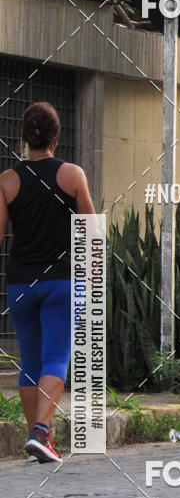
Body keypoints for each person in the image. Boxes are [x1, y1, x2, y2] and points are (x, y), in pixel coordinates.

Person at [0, 101, 95, 463]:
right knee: (57, 356)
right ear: (57, 136)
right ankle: (42, 432)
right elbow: (90, 231)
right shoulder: (72, 175)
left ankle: (37, 439)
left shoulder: (7, 181)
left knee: (30, 362)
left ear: (24, 136)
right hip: (62, 281)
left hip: (21, 284)